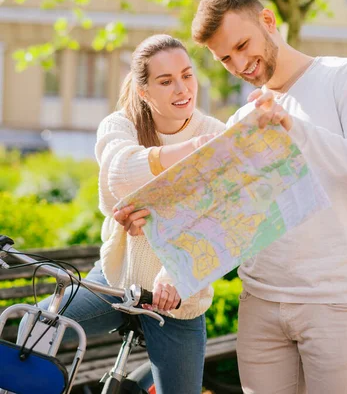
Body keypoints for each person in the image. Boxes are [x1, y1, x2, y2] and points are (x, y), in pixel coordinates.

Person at [118, 0, 347, 394]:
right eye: (226, 58)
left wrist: (292, 127)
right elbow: (216, 214)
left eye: (243, 46)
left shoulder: (344, 76)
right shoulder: (245, 118)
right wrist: (152, 221)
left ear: (268, 21)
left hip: (335, 303)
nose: (241, 64)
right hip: (260, 305)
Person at [28, 34, 225, 394]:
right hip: (116, 283)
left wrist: (174, 269)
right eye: (165, 81)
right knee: (31, 330)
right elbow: (119, 174)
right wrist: (193, 151)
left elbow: (216, 222)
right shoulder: (121, 125)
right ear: (144, 90)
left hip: (178, 299)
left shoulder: (216, 134)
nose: (182, 89)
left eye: (187, 75)